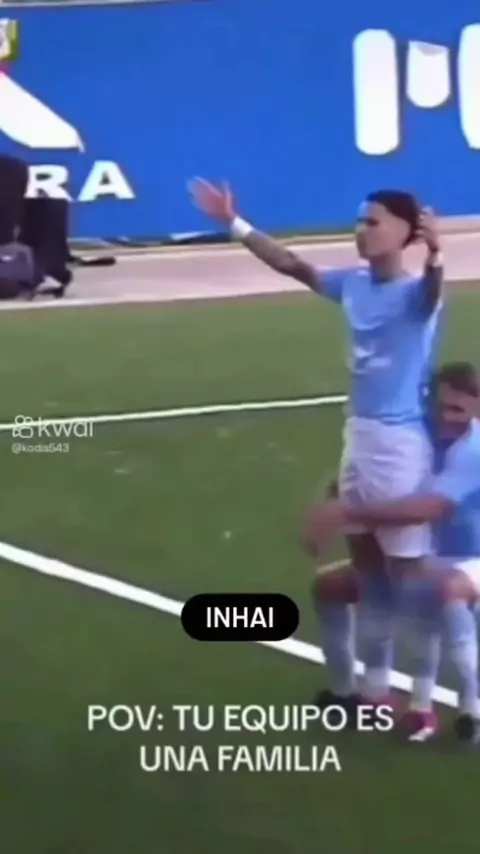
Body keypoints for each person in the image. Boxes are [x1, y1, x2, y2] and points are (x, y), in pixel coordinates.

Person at [189, 178, 444, 701]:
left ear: (406, 233)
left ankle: (432, 694)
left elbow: (433, 292)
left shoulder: (416, 295)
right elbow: (292, 264)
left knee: (409, 580)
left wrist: (437, 254)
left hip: (398, 446)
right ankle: (372, 691)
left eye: (373, 222)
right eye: (359, 221)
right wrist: (235, 223)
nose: (361, 231)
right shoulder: (353, 285)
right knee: (370, 576)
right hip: (360, 436)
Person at [304, 362, 480, 743]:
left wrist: (346, 514)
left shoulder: (474, 452)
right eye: (439, 405)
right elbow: (360, 479)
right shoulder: (413, 434)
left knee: (433, 590)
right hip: (415, 554)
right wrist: (328, 503)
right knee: (329, 587)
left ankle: (464, 705)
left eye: (456, 410)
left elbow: (427, 510)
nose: (444, 417)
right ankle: (350, 695)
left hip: (468, 559)